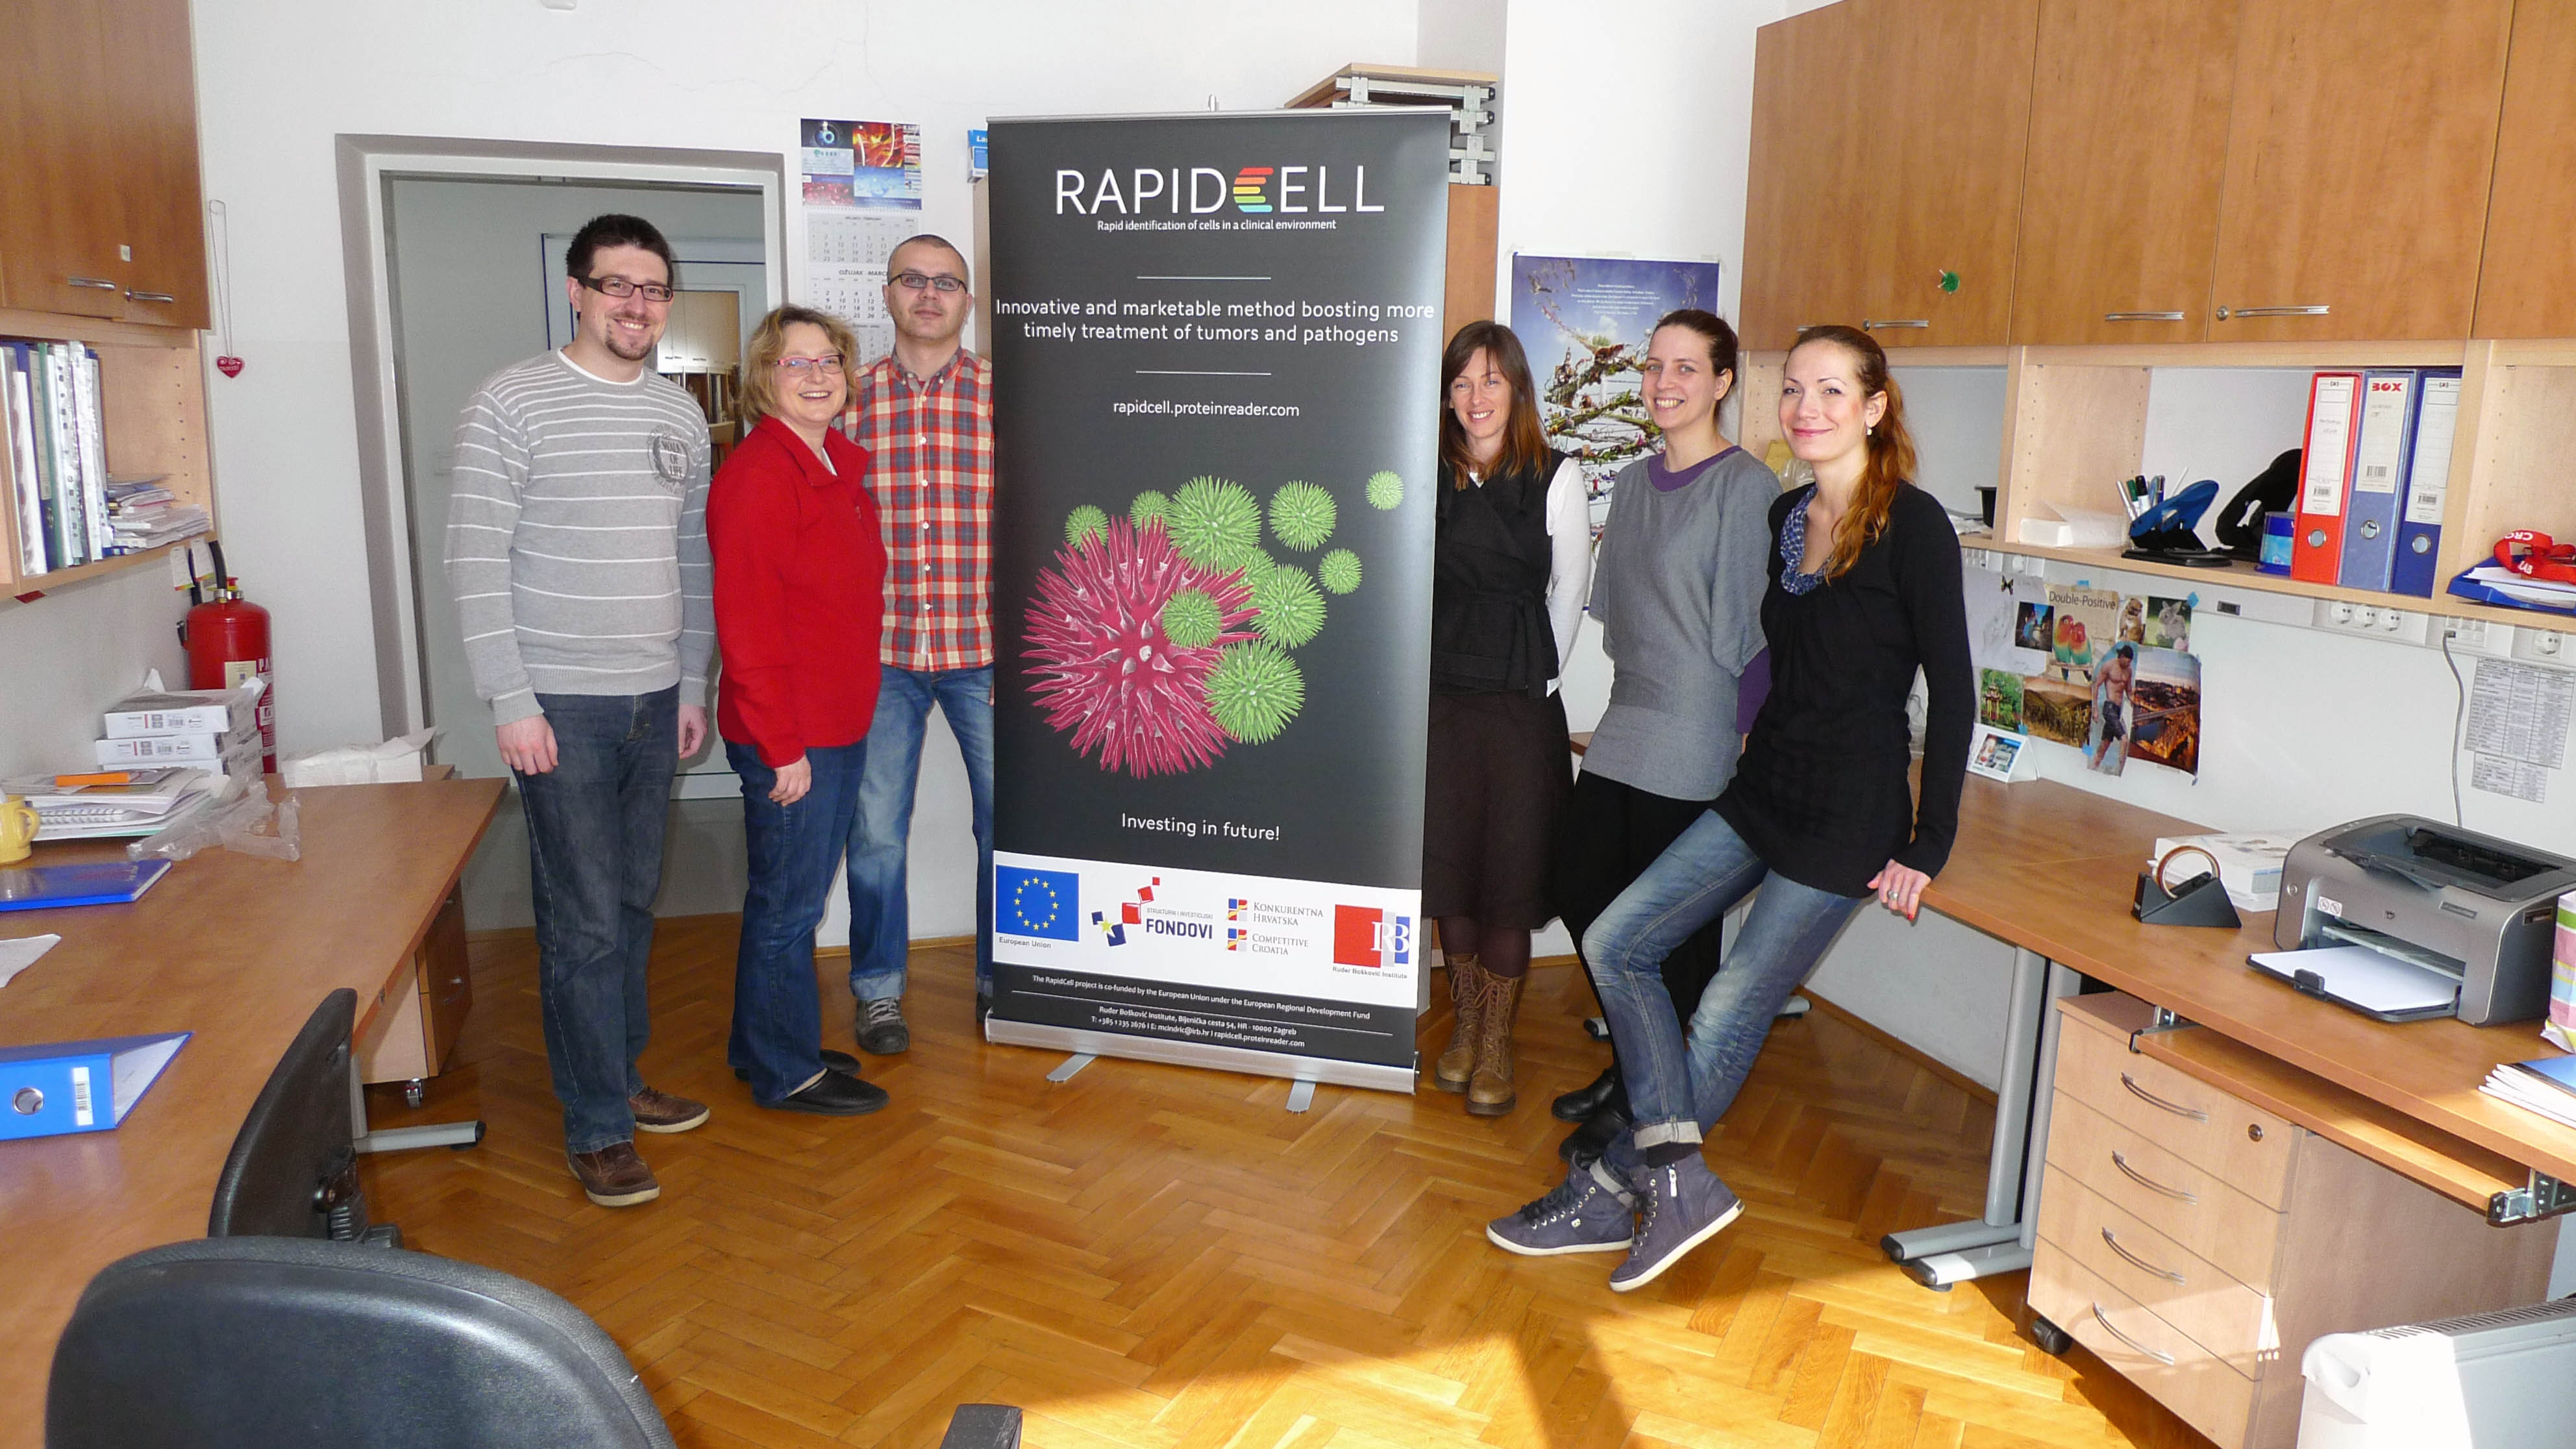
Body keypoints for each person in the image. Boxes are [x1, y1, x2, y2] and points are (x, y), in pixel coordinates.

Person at [1486, 325, 1972, 1291]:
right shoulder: (1788, 515)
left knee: (1727, 1006)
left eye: (1830, 391)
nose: (1806, 409)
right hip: (1765, 788)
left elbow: (1953, 692)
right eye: (1793, 389)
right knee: (1618, 939)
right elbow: (1775, 660)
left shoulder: (1913, 526)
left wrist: (1930, 842)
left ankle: (1615, 1186)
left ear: (1874, 408)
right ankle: (1674, 1184)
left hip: (1847, 818)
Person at [445, 214, 715, 1208]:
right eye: (617, 286)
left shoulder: (680, 415)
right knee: (585, 921)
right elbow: (474, 560)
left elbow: (694, 560)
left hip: (655, 699)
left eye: (653, 289)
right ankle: (597, 1126)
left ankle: (620, 1076)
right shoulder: (510, 402)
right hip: (559, 705)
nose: (636, 306)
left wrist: (692, 684)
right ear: (577, 291)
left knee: (632, 905)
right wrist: (511, 701)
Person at [1548, 310, 1774, 1162]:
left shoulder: (1744, 487)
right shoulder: (1637, 484)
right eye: (1653, 366)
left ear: (1721, 382)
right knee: (1579, 884)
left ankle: (1652, 1102)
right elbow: (1622, 613)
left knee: (1666, 928)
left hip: (1699, 724)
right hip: (1631, 716)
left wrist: (1747, 743)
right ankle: (1633, 1065)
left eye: (1685, 367)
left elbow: (1755, 635)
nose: (1663, 383)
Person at [710, 306, 893, 1116]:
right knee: (790, 907)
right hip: (792, 735)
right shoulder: (760, 476)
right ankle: (787, 1073)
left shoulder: (831, 465)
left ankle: (760, 1045)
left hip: (834, 721)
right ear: (765, 377)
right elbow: (746, 626)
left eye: (830, 361)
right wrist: (782, 746)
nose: (817, 376)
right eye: (796, 363)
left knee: (786, 899)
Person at [1425, 320, 1592, 1117]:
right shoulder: (1427, 472)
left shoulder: (1556, 477)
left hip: (1521, 705)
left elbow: (1570, 591)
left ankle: (1496, 1043)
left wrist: (1538, 677)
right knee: (1451, 872)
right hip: (1440, 700)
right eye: (1461, 383)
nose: (1475, 397)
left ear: (1516, 388)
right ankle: (1464, 1030)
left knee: (1508, 877)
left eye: (1490, 380)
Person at [834, 233, 995, 1049]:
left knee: (1006, 827)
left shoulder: (1005, 397)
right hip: (882, 656)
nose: (929, 294)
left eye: (946, 282)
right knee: (875, 833)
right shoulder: (844, 401)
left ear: (967, 301)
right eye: (913, 279)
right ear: (887, 293)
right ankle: (877, 991)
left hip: (985, 652)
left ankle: (1004, 979)